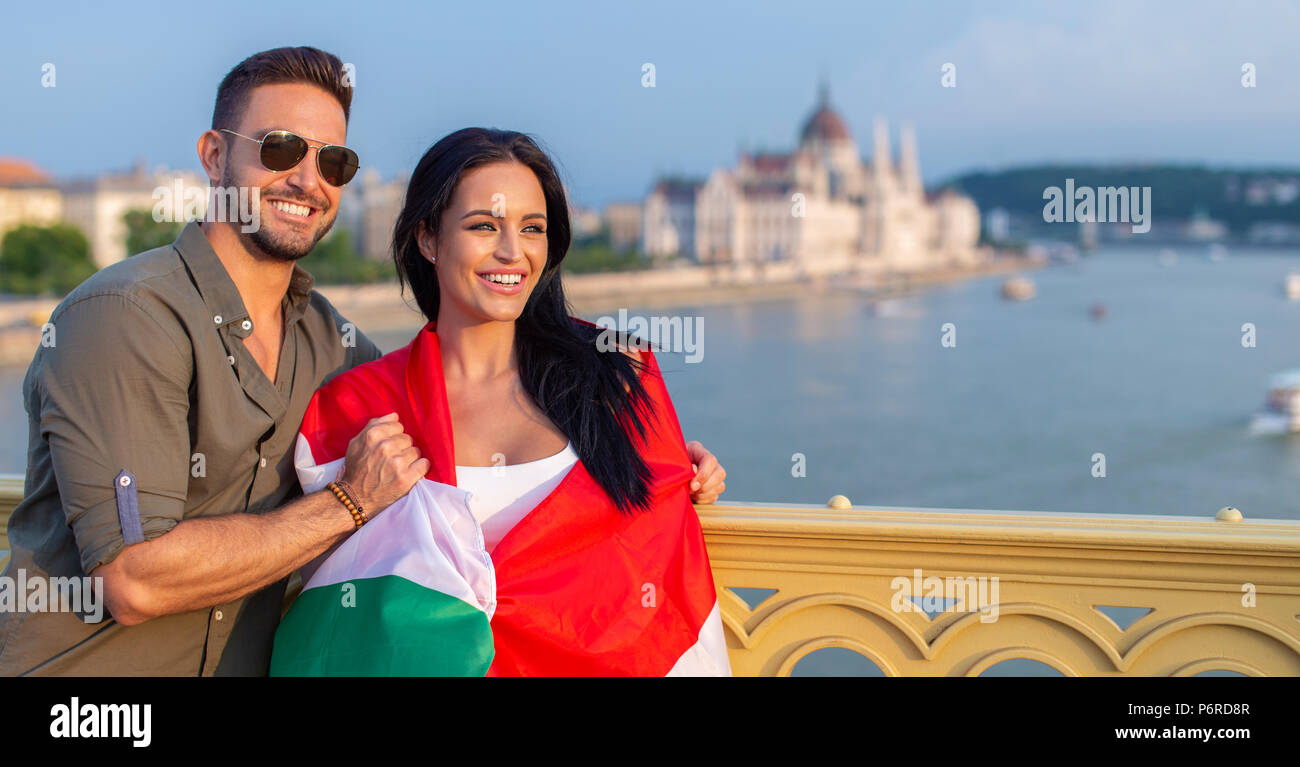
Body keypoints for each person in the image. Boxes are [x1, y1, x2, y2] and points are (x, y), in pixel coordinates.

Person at [0, 46, 727, 676]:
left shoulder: (334, 349)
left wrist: (658, 457)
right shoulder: (125, 318)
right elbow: (133, 579)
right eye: (279, 148)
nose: (307, 179)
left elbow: (449, 392)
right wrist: (348, 500)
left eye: (334, 161)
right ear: (214, 155)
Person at [270, 128, 731, 676]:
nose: (513, 252)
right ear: (428, 239)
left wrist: (688, 476)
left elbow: (653, 568)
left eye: (531, 228)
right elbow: (345, 620)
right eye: (484, 226)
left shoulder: (620, 379)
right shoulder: (354, 410)